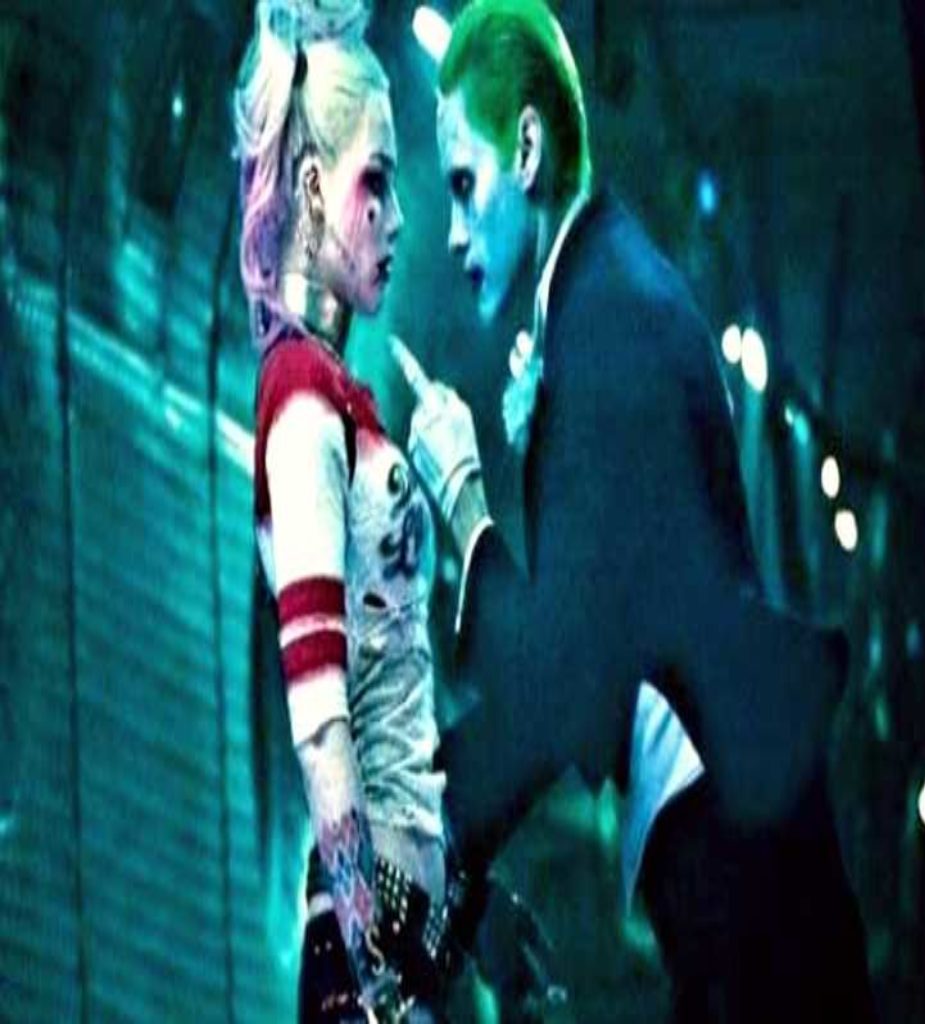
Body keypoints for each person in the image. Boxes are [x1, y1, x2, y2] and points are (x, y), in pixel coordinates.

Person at [399, 1, 877, 1020]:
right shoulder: (604, 296)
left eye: (464, 184)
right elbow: (586, 656)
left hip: (750, 878)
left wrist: (464, 503)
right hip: (744, 866)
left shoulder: (610, 314)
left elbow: (567, 680)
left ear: (528, 148)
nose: (452, 230)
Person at [233, 2, 447, 1020]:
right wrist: (378, 970)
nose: (396, 217)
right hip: (371, 948)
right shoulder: (301, 401)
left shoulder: (337, 397)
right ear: (315, 188)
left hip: (403, 930)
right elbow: (320, 727)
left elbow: (393, 700)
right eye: (377, 181)